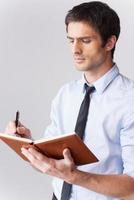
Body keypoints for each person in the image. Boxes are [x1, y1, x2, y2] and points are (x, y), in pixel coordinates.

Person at [5, 1, 134, 200]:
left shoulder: (129, 101)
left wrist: (73, 176)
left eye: (85, 40)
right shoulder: (66, 94)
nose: (75, 50)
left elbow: (132, 188)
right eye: (71, 40)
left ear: (110, 42)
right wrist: (28, 146)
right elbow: (52, 166)